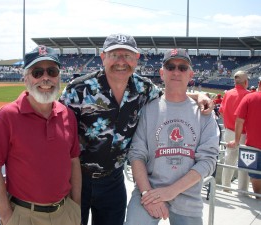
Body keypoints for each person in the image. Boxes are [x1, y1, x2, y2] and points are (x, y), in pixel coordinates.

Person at [60, 34, 214, 225]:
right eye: (115, 55)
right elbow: (56, 133)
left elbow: (173, 93)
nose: (121, 62)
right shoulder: (78, 90)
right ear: (103, 57)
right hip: (76, 179)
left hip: (113, 181)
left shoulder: (143, 88)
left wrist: (198, 95)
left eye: (128, 56)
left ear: (136, 59)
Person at [0, 45, 81, 225]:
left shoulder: (67, 114)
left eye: (52, 71)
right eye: (37, 72)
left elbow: (74, 161)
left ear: (59, 76)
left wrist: (75, 206)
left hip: (65, 213)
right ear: (26, 78)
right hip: (24, 215)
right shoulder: (6, 116)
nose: (45, 78)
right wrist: (6, 216)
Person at [125, 48, 219, 225]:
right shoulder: (147, 109)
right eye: (170, 66)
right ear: (162, 73)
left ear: (190, 74)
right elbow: (137, 154)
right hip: (149, 190)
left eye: (182, 68)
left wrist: (171, 191)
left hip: (187, 194)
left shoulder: (204, 113)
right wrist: (146, 192)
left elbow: (208, 161)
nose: (176, 72)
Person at [227, 76, 261, 200]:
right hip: (253, 145)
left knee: (255, 176)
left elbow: (239, 121)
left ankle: (258, 198)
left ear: (259, 83)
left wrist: (236, 141)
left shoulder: (250, 97)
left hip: (252, 145)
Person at [219, 70, 250, 193]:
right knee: (245, 161)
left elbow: (221, 111)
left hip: (228, 131)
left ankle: (226, 188)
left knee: (228, 161)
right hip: (243, 133)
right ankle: (242, 190)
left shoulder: (228, 94)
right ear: (246, 82)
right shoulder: (248, 95)